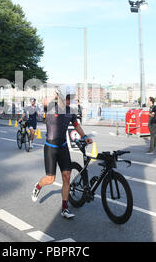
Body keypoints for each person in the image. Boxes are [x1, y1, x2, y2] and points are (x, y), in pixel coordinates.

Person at [31, 85, 93, 219]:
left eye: (71, 98)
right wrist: (57, 95)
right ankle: (38, 186)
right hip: (50, 147)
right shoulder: (51, 106)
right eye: (67, 98)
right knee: (50, 179)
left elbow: (77, 125)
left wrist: (85, 136)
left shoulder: (71, 111)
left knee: (67, 176)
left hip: (63, 147)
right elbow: (44, 102)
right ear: (60, 97)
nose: (69, 101)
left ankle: (64, 208)